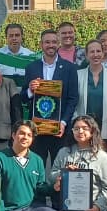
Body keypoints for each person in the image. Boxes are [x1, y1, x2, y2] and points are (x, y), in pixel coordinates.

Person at [48, 115, 107, 211]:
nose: (80, 131)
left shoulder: (102, 157)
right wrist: (62, 174)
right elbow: (51, 176)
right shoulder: (64, 152)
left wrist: (98, 207)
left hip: (92, 207)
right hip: (71, 206)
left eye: (85, 128)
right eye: (76, 128)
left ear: (92, 131)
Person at [23, 30, 79, 168]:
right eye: (47, 42)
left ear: (58, 44)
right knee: (36, 168)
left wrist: (63, 122)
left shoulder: (70, 68)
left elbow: (73, 99)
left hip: (59, 130)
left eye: (54, 42)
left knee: (60, 170)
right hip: (37, 130)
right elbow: (23, 97)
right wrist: (30, 90)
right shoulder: (31, 67)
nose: (51, 45)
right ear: (41, 44)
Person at [76, 40, 107, 154]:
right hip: (84, 132)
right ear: (86, 55)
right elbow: (74, 105)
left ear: (103, 53)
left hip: (106, 132)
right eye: (92, 52)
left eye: (98, 51)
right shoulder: (78, 75)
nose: (95, 54)